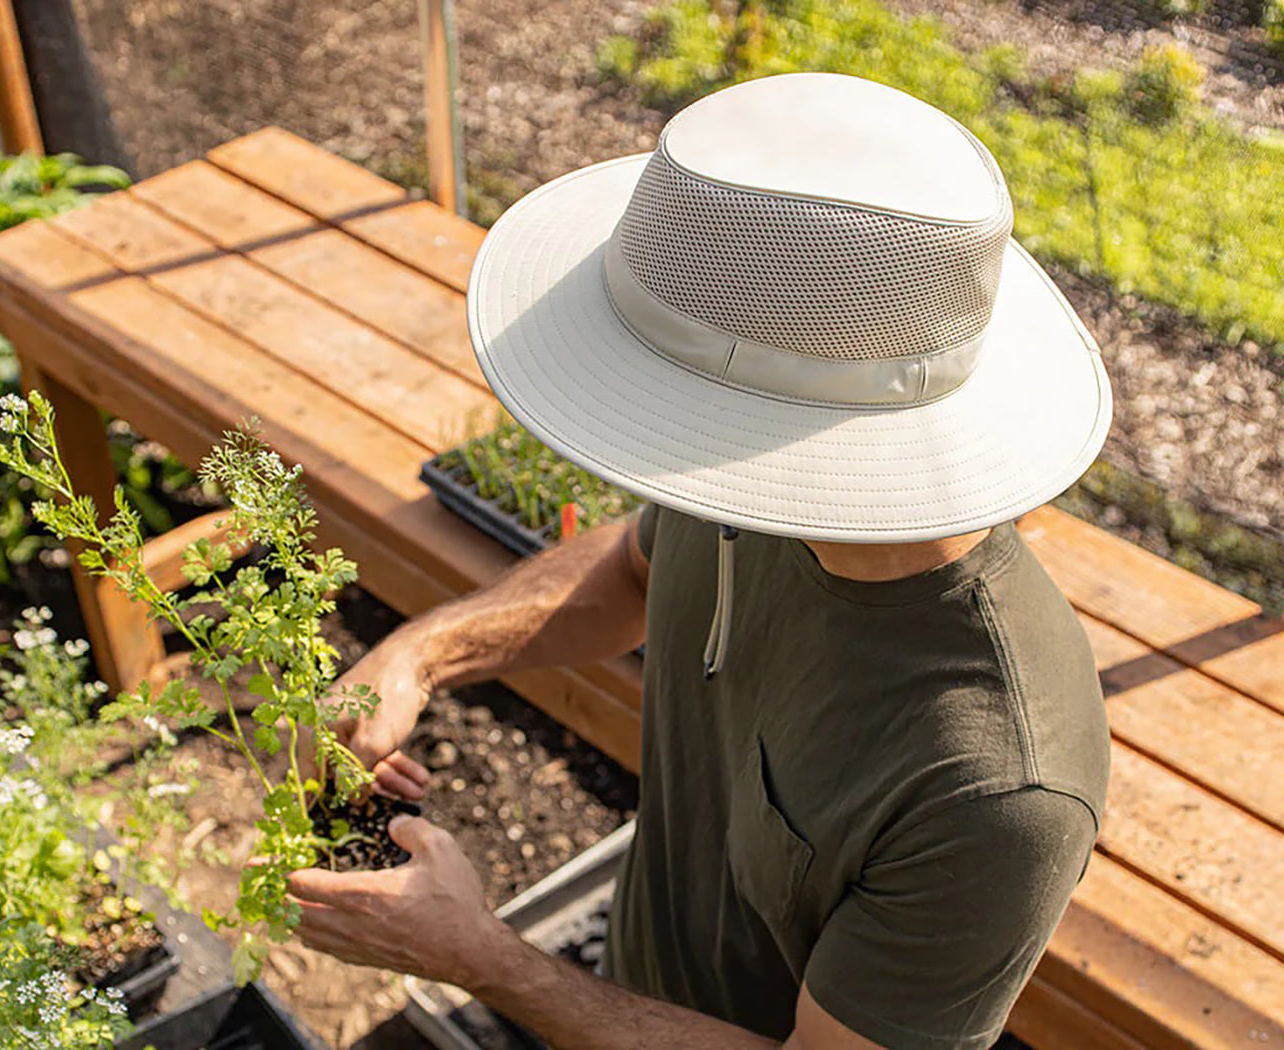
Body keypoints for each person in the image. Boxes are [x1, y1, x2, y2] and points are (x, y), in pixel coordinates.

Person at [286, 72, 1113, 1050]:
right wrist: (419, 656)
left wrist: (481, 958)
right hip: (620, 992)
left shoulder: (994, 790)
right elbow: (639, 573)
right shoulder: (773, 490)